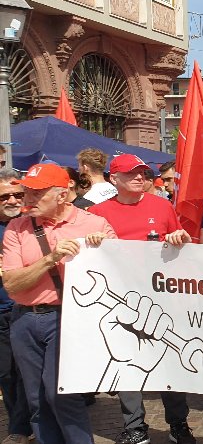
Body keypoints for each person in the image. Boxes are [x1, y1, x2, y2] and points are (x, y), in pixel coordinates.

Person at [2, 164, 117, 444]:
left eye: (36, 193)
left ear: (62, 195)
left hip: (70, 319)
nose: (27, 198)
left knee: (61, 394)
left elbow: (121, 272)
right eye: (26, 191)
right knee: (36, 398)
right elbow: (12, 283)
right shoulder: (17, 227)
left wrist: (106, 250)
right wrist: (50, 259)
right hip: (25, 319)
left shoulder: (94, 224)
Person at [87, 154, 194, 444]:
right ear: (113, 178)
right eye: (131, 173)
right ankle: (135, 427)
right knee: (126, 361)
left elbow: (178, 242)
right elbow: (89, 255)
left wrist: (178, 237)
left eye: (143, 173)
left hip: (161, 296)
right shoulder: (97, 213)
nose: (139, 178)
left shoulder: (162, 206)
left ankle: (179, 424)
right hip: (120, 299)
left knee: (169, 363)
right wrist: (92, 242)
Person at [0, 169, 31, 444]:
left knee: (28, 373)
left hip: (27, 309)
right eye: (4, 196)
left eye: (17, 195)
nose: (12, 200)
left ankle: (21, 427)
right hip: (1, 312)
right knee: (7, 374)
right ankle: (20, 423)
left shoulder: (33, 224)